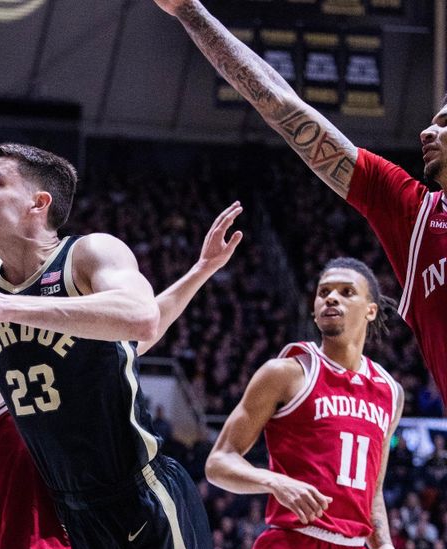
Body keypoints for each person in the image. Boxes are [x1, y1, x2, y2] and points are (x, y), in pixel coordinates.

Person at [0, 21, 243, 549]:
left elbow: (139, 323)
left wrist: (197, 273)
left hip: (135, 498)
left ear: (38, 205)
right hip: (76, 526)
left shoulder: (74, 268)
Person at [153, 0, 447, 409]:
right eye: (431, 121)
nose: (426, 131)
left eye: (444, 123)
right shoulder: (411, 212)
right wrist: (190, 11)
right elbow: (283, 106)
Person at [205, 258, 423, 549]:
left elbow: (373, 493)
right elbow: (218, 462)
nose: (331, 298)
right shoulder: (287, 373)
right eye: (324, 292)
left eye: (346, 292)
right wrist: (274, 481)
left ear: (370, 310)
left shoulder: (390, 391)